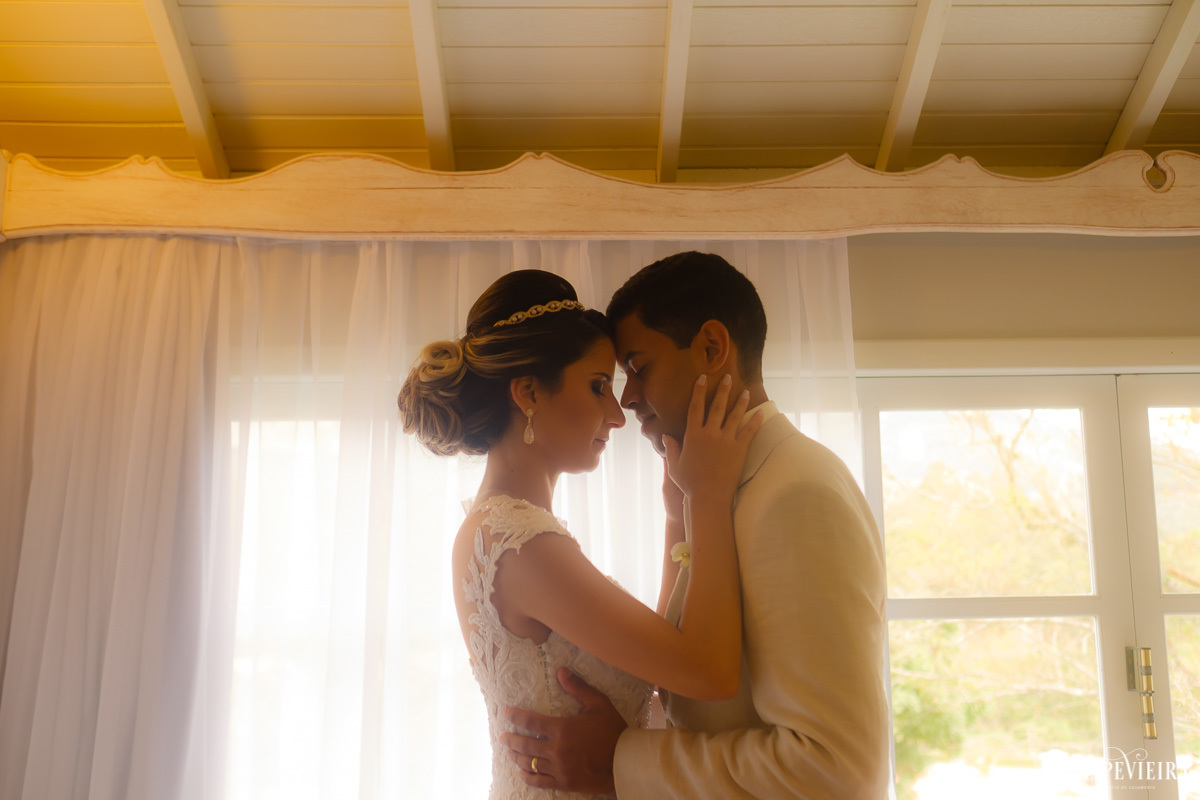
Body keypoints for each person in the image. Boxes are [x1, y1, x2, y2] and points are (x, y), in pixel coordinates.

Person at [501, 252, 891, 798]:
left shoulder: (795, 494)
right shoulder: (722, 488)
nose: (628, 399)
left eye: (638, 367)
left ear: (712, 348)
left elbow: (833, 768)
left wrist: (620, 759)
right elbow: (696, 694)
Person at [397, 269, 764, 799]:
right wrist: (708, 499)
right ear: (528, 393)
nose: (617, 415)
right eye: (597, 387)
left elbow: (666, 661)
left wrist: (676, 518)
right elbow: (707, 672)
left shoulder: (507, 532)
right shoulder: (522, 546)